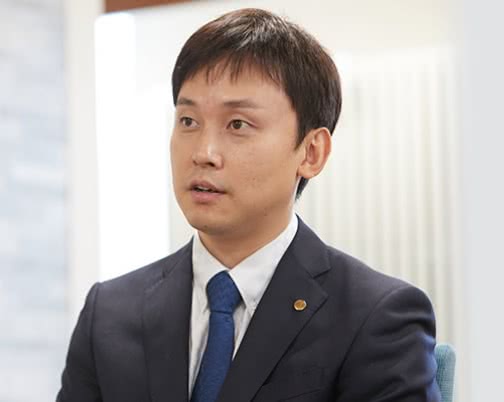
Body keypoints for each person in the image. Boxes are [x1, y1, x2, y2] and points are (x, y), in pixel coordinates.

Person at [57, 8, 441, 402]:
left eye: (237, 124)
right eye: (188, 121)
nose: (203, 153)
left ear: (311, 152)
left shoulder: (375, 317)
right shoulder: (109, 314)